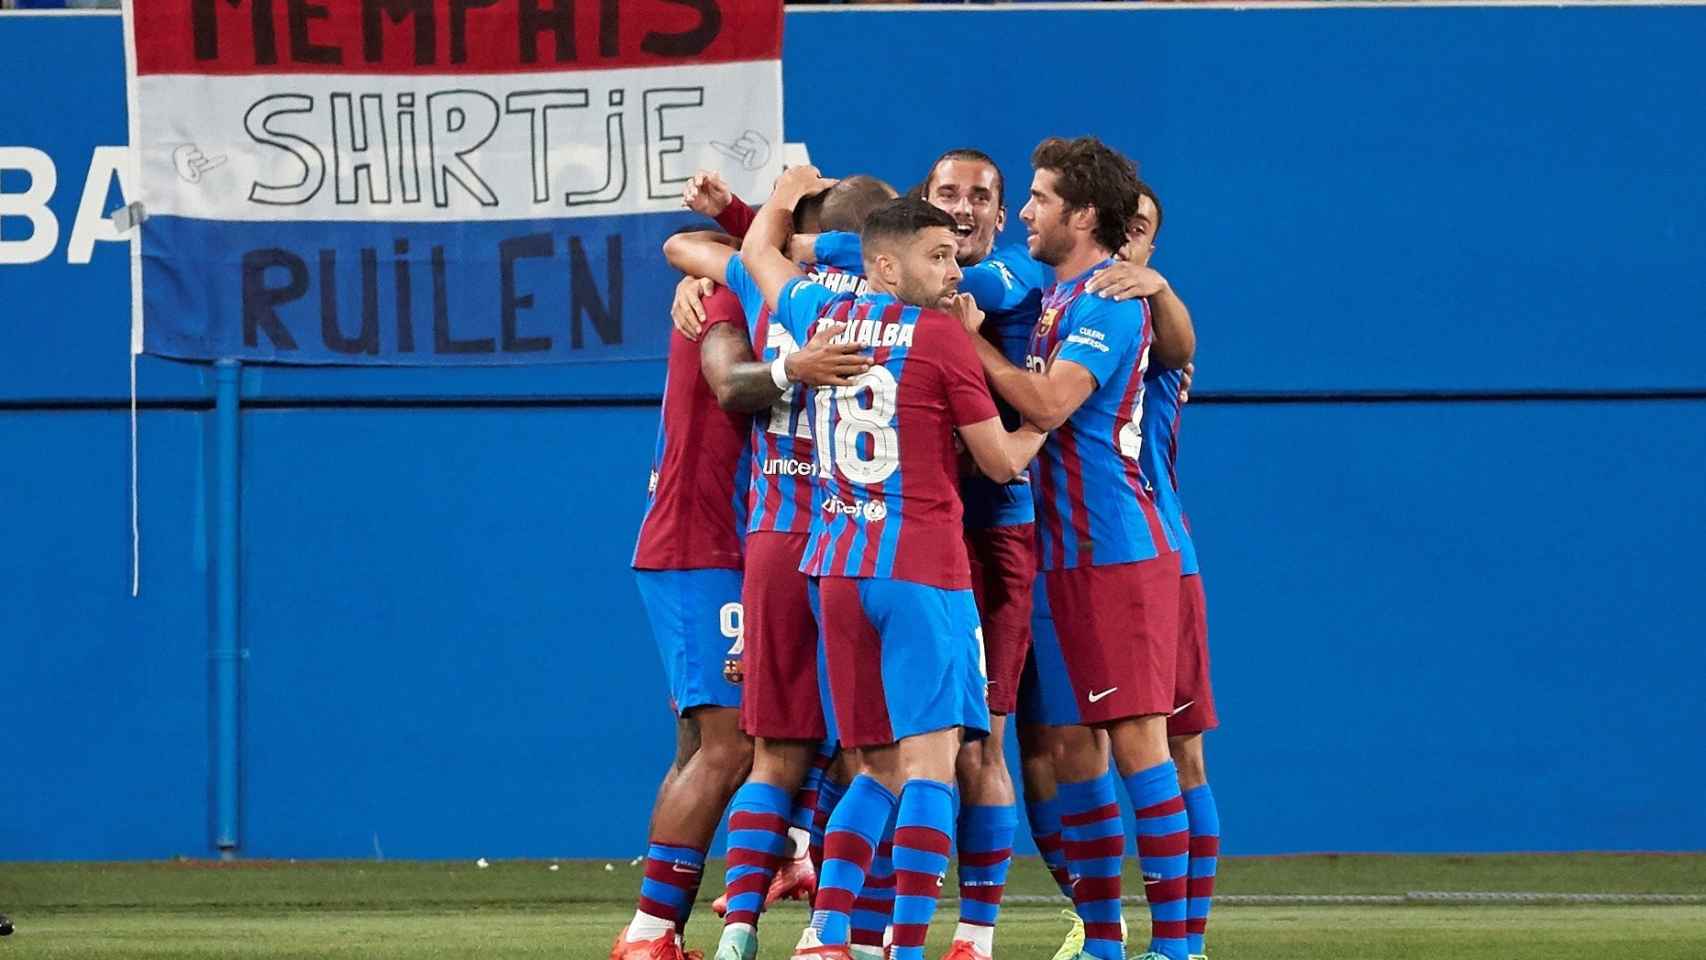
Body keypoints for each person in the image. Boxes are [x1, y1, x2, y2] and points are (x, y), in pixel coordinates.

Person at [724, 178, 1050, 960]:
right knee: (932, 767)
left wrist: (777, 198)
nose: (955, 273)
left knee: (870, 765)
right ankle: (907, 947)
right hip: (920, 569)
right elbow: (1000, 461)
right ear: (889, 268)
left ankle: (829, 936)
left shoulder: (816, 314)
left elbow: (757, 255)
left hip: (835, 568)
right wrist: (1044, 417)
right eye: (938, 258)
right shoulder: (940, 339)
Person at [614, 211, 872, 960]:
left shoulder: (759, 286)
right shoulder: (731, 296)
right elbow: (731, 384)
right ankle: (650, 933)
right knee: (728, 747)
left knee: (731, 735)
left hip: (724, 543)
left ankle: (698, 906)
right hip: (706, 542)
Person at [665, 169, 906, 960]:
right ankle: (837, 933)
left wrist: (761, 214)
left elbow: (690, 247)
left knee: (775, 751)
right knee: (877, 752)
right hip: (854, 536)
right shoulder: (901, 307)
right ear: (886, 242)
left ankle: (737, 929)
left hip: (770, 534)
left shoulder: (782, 294)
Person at [959, 136, 1187, 960]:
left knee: (1140, 747)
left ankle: (1178, 949)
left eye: (1040, 198)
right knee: (1068, 746)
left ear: (1083, 215)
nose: (1025, 212)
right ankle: (1102, 942)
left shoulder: (1111, 302)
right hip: (1064, 556)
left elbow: (1051, 403)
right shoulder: (1058, 297)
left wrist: (969, 345)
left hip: (1118, 553)